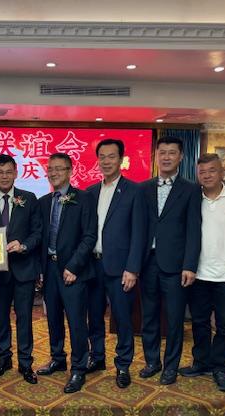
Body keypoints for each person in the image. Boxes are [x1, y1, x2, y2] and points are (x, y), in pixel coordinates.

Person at [179, 153, 225, 392]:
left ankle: (220, 367)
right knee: (199, 322)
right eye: (202, 172)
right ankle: (201, 362)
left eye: (212, 170)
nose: (207, 175)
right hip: (198, 274)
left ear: (223, 173)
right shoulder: (193, 199)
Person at [139, 136, 202, 385]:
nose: (166, 157)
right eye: (162, 152)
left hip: (176, 266)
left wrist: (190, 265)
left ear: (181, 157)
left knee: (175, 319)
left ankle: (171, 367)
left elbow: (194, 230)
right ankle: (152, 362)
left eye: (172, 153)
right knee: (149, 316)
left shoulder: (191, 189)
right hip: (148, 262)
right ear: (156, 156)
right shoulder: (143, 188)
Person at [86, 139, 146, 388]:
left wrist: (133, 268)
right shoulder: (90, 192)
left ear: (121, 160)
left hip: (121, 269)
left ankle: (123, 364)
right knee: (94, 316)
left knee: (122, 318)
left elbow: (139, 233)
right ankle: (97, 357)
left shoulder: (134, 191)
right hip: (92, 266)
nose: (106, 161)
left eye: (112, 156)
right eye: (102, 157)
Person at [0, 154, 42, 384]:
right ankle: (3, 359)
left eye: (8, 172)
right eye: (0, 172)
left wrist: (23, 245)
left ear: (16, 173)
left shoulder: (29, 198)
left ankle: (26, 363)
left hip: (24, 269)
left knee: (24, 318)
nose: (4, 176)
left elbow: (37, 232)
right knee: (1, 317)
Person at [36, 152, 97, 393]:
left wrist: (74, 266)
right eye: (50, 169)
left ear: (70, 171)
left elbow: (89, 236)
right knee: (53, 317)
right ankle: (57, 358)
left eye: (59, 168)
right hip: (49, 269)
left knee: (76, 321)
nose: (54, 173)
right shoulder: (44, 201)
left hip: (73, 271)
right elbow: (40, 237)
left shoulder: (84, 198)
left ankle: (79, 367)